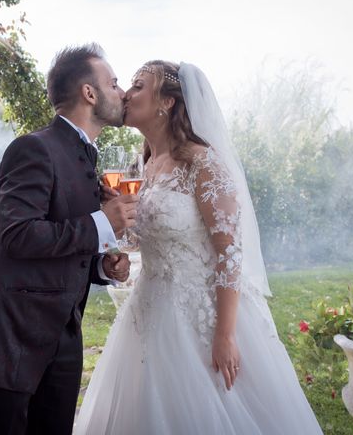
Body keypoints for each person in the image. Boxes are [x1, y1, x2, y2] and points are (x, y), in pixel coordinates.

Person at [74, 61, 323, 434]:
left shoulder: (203, 162)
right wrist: (118, 218)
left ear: (168, 102)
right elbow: (159, 235)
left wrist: (224, 334)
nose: (127, 93)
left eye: (139, 85)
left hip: (201, 317)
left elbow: (229, 252)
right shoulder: (150, 163)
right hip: (150, 309)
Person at [0, 43, 139, 435]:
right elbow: (18, 235)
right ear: (89, 93)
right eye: (114, 82)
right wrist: (101, 225)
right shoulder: (34, 148)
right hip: (12, 338)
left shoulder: (85, 157)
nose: (121, 92)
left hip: (64, 339)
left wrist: (101, 266)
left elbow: (60, 239)